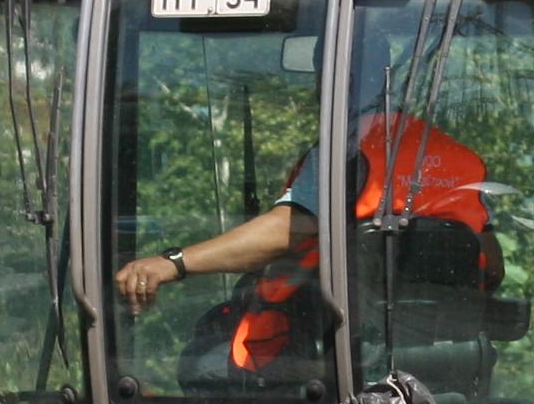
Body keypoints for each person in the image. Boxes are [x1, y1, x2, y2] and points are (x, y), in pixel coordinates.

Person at [116, 98, 499, 386]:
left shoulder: (351, 147)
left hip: (327, 357)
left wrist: (174, 263)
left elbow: (289, 228)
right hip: (443, 359)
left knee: (204, 366)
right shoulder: (461, 160)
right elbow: (492, 266)